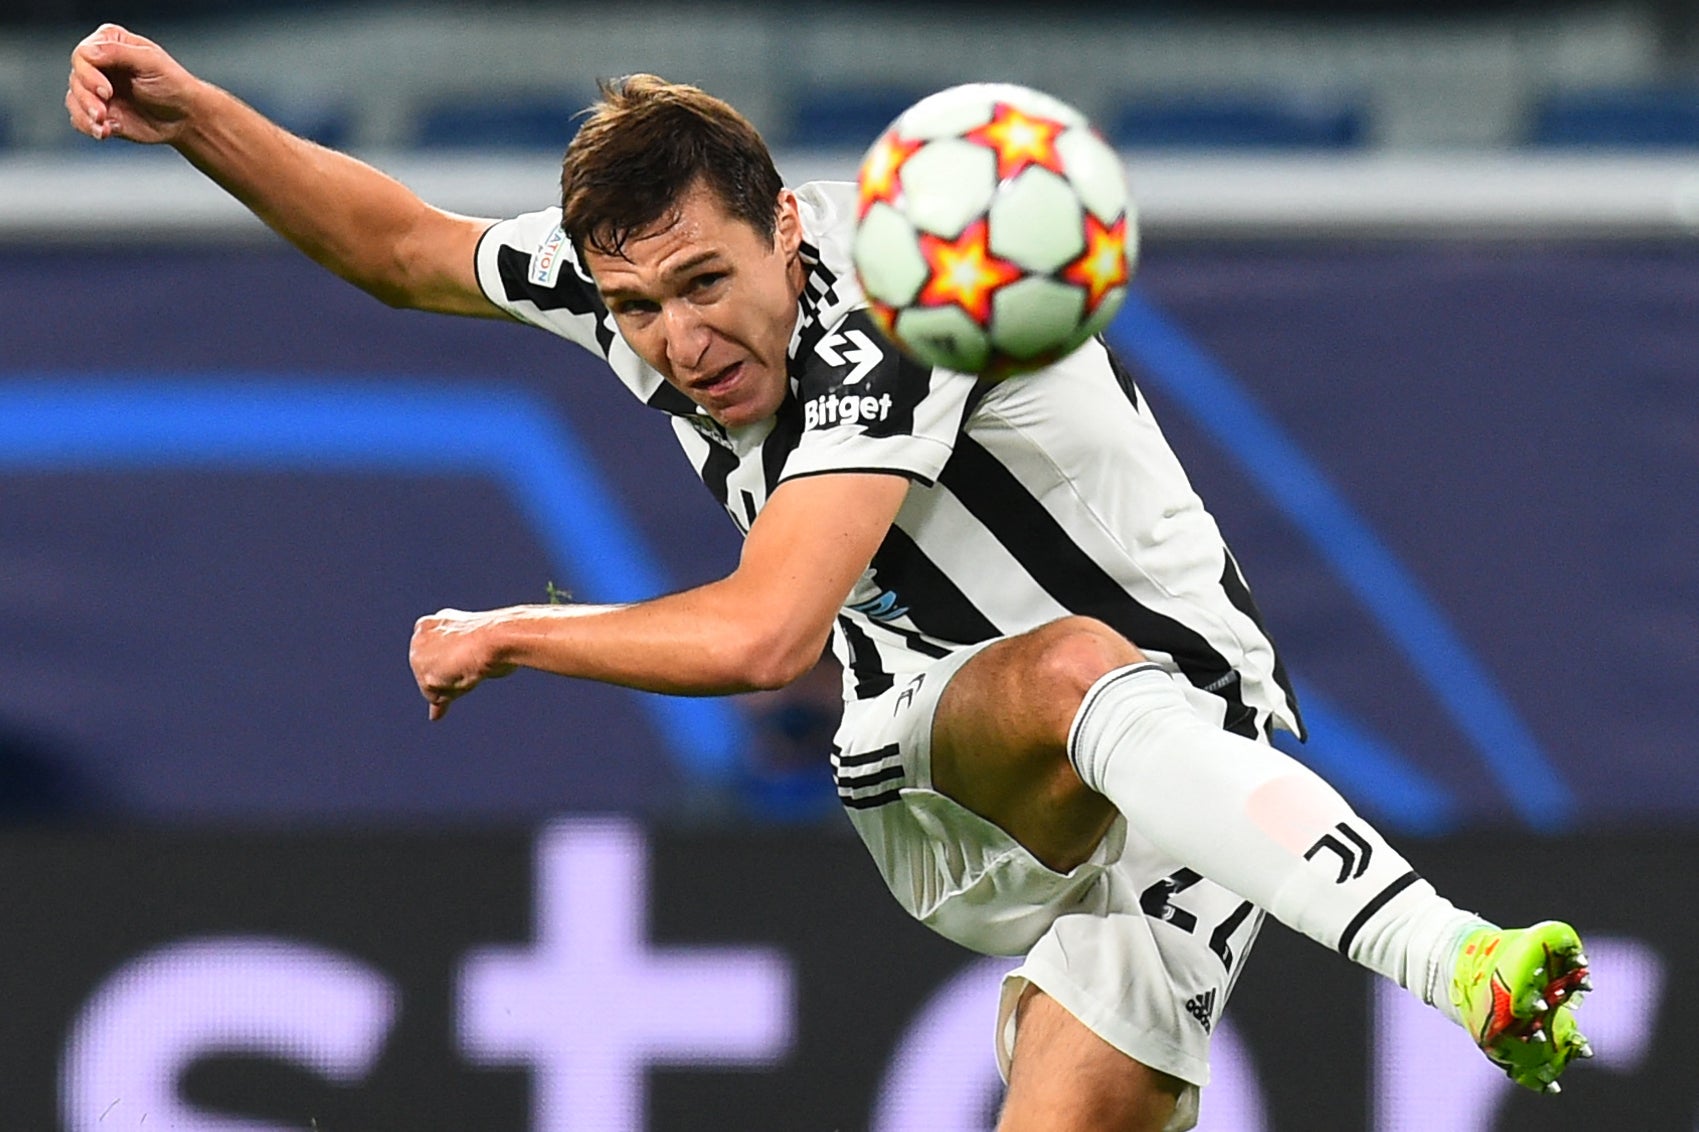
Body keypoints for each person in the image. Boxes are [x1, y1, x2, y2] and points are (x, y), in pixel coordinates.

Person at [67, 24, 1592, 1131]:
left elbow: (756, 635)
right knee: (1069, 672)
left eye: (705, 286)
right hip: (943, 746)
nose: (676, 339)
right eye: (639, 306)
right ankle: (1459, 960)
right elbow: (402, 243)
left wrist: (518, 632)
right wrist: (199, 112)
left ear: (793, 227)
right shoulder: (628, 284)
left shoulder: (900, 318)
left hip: (1200, 768)